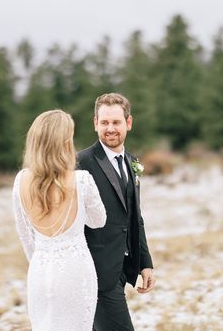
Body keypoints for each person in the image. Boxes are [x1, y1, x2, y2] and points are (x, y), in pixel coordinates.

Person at [12, 109, 106, 331]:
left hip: (39, 273)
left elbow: (26, 237)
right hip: (76, 272)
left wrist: (43, 259)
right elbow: (98, 220)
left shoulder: (20, 180)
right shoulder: (81, 180)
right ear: (64, 142)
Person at [77, 93, 155, 331]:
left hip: (124, 266)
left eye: (116, 122)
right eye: (104, 122)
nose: (110, 129)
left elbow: (134, 218)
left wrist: (145, 262)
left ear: (128, 123)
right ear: (95, 123)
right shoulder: (81, 163)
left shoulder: (131, 162)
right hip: (96, 273)